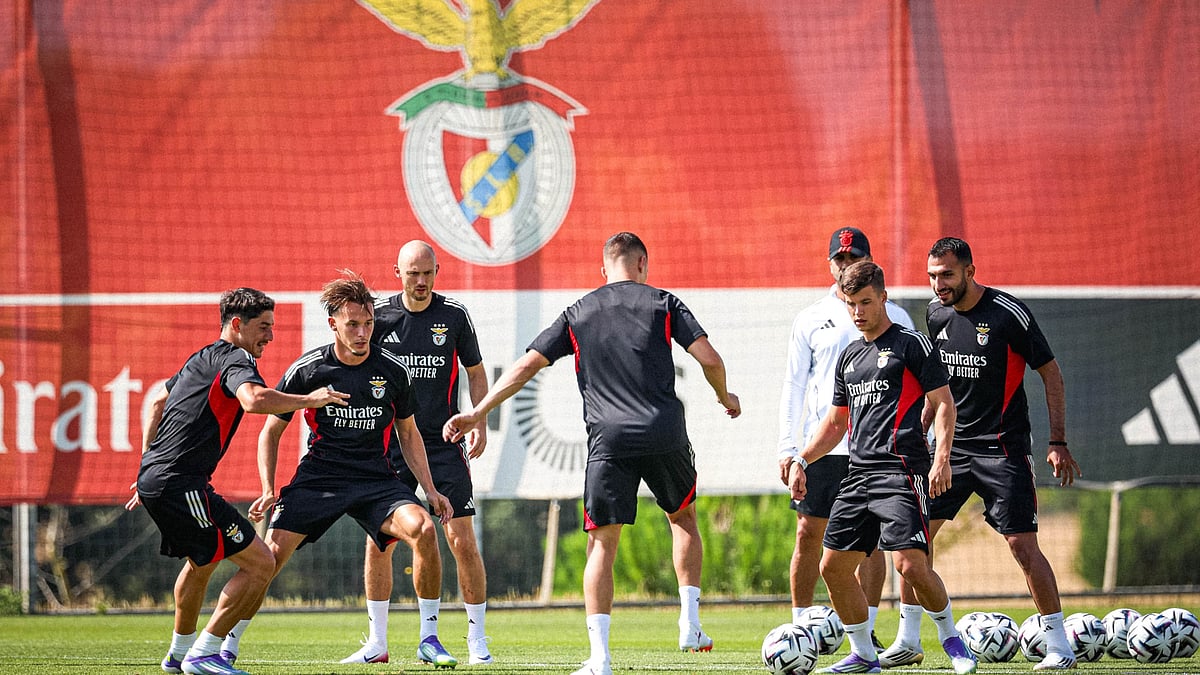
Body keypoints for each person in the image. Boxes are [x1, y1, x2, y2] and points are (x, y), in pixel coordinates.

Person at [442, 232, 741, 675]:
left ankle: (600, 658)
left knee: (602, 544)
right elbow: (711, 360)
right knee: (683, 519)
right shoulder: (663, 302)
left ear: (604, 270)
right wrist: (724, 396)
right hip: (664, 433)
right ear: (643, 263)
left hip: (610, 441)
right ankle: (690, 624)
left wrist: (478, 411)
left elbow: (525, 366)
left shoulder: (579, 311)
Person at [881, 238, 1082, 671]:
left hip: (1002, 451)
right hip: (947, 452)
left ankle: (1060, 647)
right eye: (932, 275)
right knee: (913, 542)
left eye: (947, 275)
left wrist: (1058, 441)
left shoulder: (1009, 314)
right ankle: (908, 640)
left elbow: (1051, 373)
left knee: (1023, 546)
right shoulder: (935, 314)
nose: (938, 284)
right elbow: (937, 387)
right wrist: (918, 434)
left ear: (970, 271)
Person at [125, 288, 349, 675]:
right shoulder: (236, 359)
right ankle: (205, 653)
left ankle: (178, 656)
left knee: (203, 562)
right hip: (181, 483)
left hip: (168, 479)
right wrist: (309, 401)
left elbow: (157, 403)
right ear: (236, 325)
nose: (270, 336)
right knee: (261, 564)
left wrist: (149, 465)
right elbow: (252, 399)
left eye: (272, 327)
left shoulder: (202, 356)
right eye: (263, 327)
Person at [241, 272, 455, 667]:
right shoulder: (308, 370)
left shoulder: (392, 370)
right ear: (333, 324)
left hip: (375, 479)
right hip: (320, 477)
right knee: (267, 559)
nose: (363, 332)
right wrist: (268, 488)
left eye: (369, 323)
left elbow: (408, 435)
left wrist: (431, 490)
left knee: (424, 529)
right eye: (353, 324)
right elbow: (270, 432)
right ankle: (225, 645)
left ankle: (429, 639)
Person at [790, 261, 977, 675]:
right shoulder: (849, 356)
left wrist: (941, 457)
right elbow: (837, 422)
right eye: (851, 303)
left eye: (866, 302)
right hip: (857, 474)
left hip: (901, 471)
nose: (858, 312)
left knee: (909, 564)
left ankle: (953, 641)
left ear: (883, 298)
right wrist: (803, 458)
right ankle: (864, 656)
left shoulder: (912, 345)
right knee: (832, 567)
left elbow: (945, 403)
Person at [338, 240, 492, 666]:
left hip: (443, 447)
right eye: (412, 274)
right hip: (391, 449)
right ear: (397, 273)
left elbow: (476, 372)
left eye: (428, 273)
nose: (421, 282)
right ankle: (378, 642)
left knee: (461, 540)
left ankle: (476, 639)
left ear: (437, 272)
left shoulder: (454, 316)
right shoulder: (380, 318)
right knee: (380, 542)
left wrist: (477, 419)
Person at [778, 227, 914, 642]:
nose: (845, 266)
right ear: (829, 265)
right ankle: (801, 627)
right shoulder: (810, 317)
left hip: (877, 447)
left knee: (870, 544)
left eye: (853, 258)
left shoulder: (899, 318)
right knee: (808, 534)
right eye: (838, 260)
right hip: (825, 446)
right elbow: (794, 385)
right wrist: (790, 448)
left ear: (870, 263)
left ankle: (867, 627)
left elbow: (920, 388)